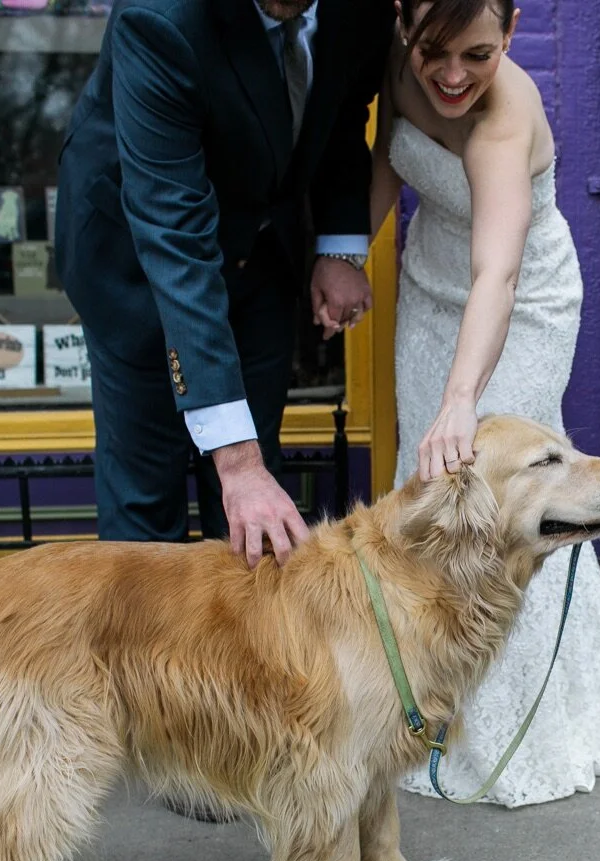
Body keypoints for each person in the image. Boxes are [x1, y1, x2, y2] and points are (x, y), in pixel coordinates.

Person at [359, 0, 600, 807]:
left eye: (479, 54)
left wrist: (463, 398)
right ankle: (418, 706)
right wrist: (345, 257)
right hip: (433, 286)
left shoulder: (507, 114)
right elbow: (390, 163)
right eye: (435, 54)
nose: (454, 75)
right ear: (403, 25)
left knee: (519, 501)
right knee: (433, 486)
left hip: (518, 300)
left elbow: (497, 273)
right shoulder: (397, 63)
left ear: (514, 26)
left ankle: (519, 730)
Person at [54, 0, 393, 569]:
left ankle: (244, 657)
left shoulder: (366, 9)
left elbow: (344, 108)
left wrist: (339, 247)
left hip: (261, 250)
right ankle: (147, 657)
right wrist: (235, 463)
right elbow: (173, 234)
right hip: (136, 260)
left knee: (255, 501)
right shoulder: (159, 18)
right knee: (146, 506)